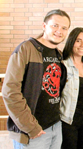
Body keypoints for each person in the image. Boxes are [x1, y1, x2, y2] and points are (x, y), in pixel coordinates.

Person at [1, 9, 70, 149]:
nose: (59, 31)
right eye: (55, 25)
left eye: (64, 28)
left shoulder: (59, 55)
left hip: (55, 126)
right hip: (33, 131)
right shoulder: (26, 49)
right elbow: (10, 92)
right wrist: (31, 127)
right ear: (44, 26)